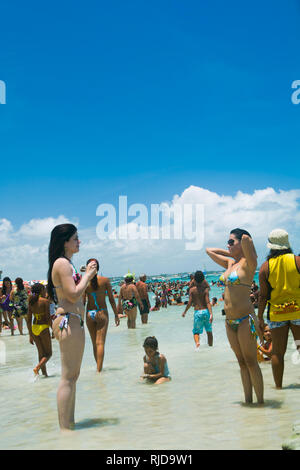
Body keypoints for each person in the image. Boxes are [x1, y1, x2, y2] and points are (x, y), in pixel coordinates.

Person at [48, 224, 97, 431]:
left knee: (72, 376)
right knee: (68, 377)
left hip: (72, 319)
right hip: (68, 320)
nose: (79, 241)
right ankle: (65, 429)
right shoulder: (62, 263)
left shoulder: (66, 264)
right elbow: (73, 294)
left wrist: (85, 275)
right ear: (65, 241)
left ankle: (69, 425)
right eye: (76, 238)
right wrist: (88, 276)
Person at [206, 228, 264, 404]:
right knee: (241, 363)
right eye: (228, 242)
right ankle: (248, 402)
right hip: (229, 321)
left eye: (231, 241)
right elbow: (209, 250)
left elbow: (246, 239)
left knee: (251, 362)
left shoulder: (250, 262)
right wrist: (231, 252)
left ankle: (260, 403)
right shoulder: (231, 264)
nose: (228, 244)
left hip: (246, 319)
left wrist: (240, 246)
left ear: (241, 243)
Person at [258, 229, 300, 389]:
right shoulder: (297, 261)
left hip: (277, 315)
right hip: (298, 312)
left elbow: (263, 296)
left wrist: (260, 317)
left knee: (277, 353)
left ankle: (279, 388)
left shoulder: (265, 267)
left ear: (272, 247)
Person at [84, 258, 120, 373]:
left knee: (95, 343)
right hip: (102, 312)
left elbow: (82, 301)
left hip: (89, 313)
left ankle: (98, 367)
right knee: (100, 343)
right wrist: (116, 314)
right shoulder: (105, 280)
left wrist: (79, 317)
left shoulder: (85, 282)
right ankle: (99, 371)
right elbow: (111, 299)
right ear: (98, 268)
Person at [182, 271, 213, 348]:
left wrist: (185, 312)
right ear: (203, 279)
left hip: (198, 312)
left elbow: (189, 303)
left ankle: (197, 343)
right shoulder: (205, 289)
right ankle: (210, 347)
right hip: (206, 311)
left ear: (194, 279)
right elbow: (208, 302)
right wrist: (211, 314)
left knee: (196, 332)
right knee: (209, 331)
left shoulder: (192, 290)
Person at [27, 283, 52, 376]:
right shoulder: (45, 301)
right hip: (43, 328)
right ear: (41, 290)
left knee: (41, 354)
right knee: (49, 354)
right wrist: (53, 329)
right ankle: (37, 367)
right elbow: (48, 318)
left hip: (34, 328)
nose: (45, 290)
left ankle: (44, 375)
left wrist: (30, 335)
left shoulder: (31, 302)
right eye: (44, 289)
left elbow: (28, 320)